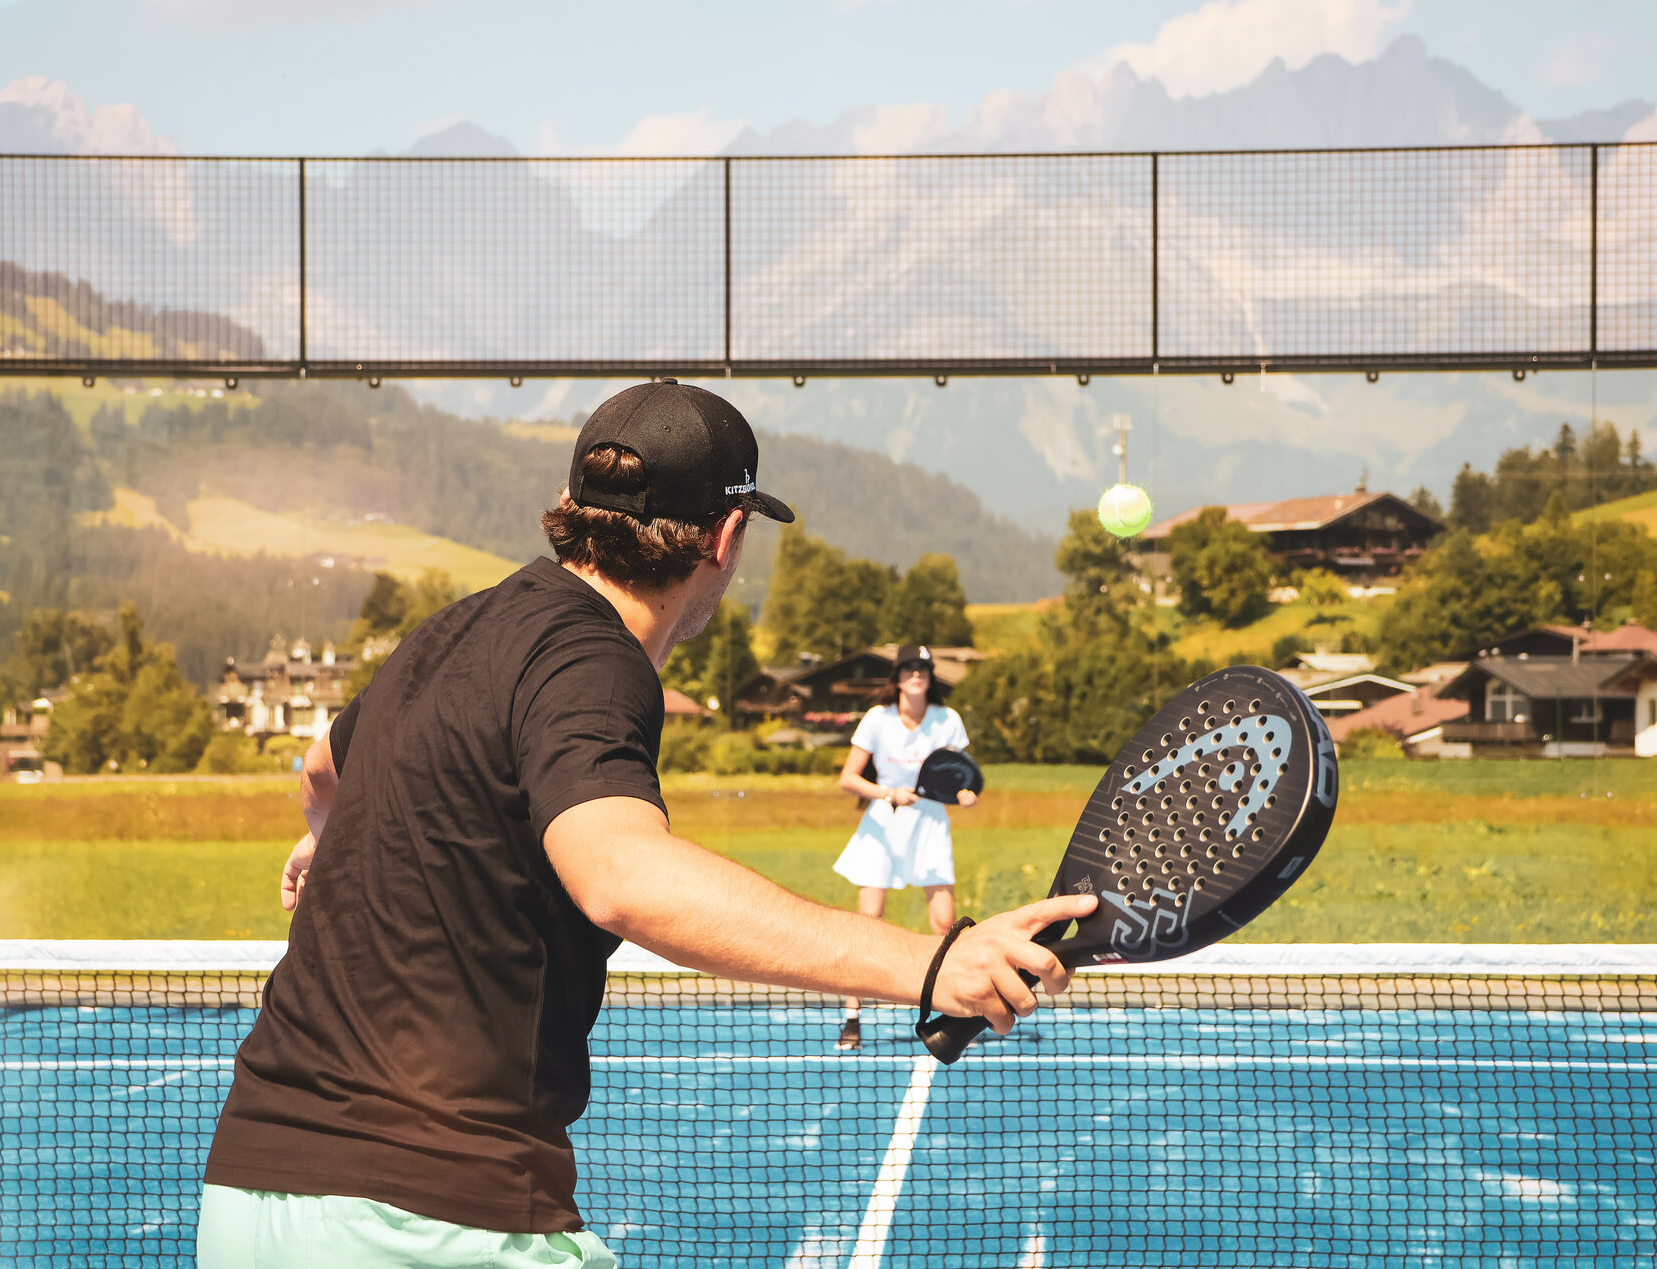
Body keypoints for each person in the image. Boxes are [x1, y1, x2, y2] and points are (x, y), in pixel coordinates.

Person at [197, 380, 1094, 1269]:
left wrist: (327, 831)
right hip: (433, 1219)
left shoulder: (451, 630)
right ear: (727, 536)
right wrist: (935, 964)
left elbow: (322, 767)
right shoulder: (593, 658)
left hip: (248, 1196)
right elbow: (622, 877)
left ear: (570, 508)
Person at [831, 646, 979, 1050]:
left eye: (923, 669)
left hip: (931, 824)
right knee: (868, 922)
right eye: (909, 669)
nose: (916, 674)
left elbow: (959, 774)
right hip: (883, 824)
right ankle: (852, 1017)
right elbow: (849, 778)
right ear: (897, 677)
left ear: (930, 677)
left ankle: (958, 1008)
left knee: (945, 923)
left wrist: (965, 794)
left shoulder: (947, 720)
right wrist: (888, 792)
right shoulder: (876, 720)